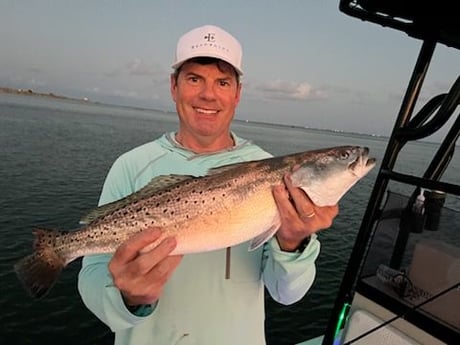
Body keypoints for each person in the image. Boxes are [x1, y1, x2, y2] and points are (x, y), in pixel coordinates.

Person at [78, 24, 338, 345]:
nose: (208, 94)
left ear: (237, 94)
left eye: (223, 82)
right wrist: (130, 299)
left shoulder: (273, 175)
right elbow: (91, 279)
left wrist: (294, 243)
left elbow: (287, 295)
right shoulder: (131, 165)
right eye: (194, 78)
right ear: (173, 86)